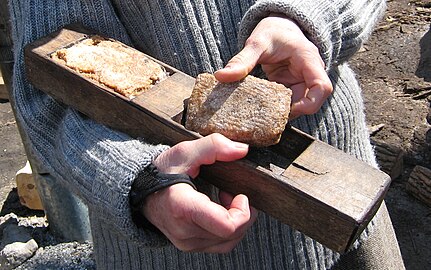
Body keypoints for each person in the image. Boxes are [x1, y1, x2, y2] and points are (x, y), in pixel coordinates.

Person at [8, 0, 405, 269]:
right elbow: (46, 89)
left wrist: (304, 17)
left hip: (348, 186)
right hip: (185, 248)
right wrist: (137, 181)